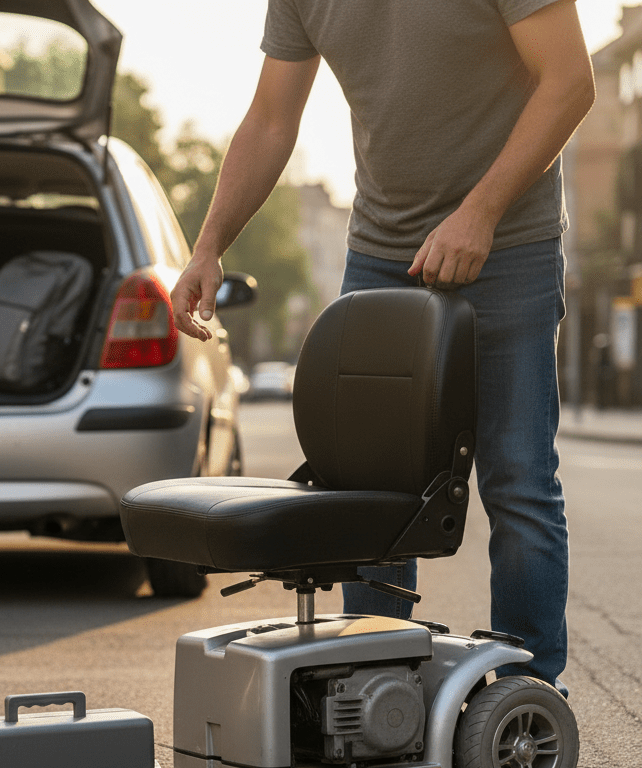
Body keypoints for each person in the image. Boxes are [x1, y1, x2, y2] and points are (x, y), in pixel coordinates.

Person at [171, 0, 595, 693]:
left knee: (517, 480)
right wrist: (210, 245)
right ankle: (377, 690)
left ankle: (527, 696)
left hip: (509, 243)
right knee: (369, 484)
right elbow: (273, 118)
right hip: (381, 254)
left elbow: (571, 82)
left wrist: (479, 214)